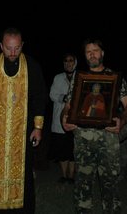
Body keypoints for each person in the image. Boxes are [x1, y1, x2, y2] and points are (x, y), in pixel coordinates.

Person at [0, 27, 46, 213]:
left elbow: (39, 97)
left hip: (22, 134)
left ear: (22, 45)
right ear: (1, 46)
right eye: (8, 48)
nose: (13, 53)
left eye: (17, 48)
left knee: (24, 174)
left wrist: (38, 127)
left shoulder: (32, 67)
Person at [61, 38, 127, 214]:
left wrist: (122, 120)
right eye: (88, 52)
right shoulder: (79, 78)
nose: (92, 54)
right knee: (82, 181)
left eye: (95, 50)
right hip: (83, 139)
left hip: (108, 140)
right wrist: (64, 117)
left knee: (110, 182)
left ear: (102, 53)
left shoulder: (114, 78)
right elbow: (68, 105)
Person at [49, 52, 77, 184]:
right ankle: (64, 175)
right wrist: (64, 97)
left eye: (71, 60)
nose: (68, 63)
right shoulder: (58, 77)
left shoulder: (80, 77)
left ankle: (71, 176)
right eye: (66, 61)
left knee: (73, 150)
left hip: (76, 120)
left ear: (75, 62)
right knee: (62, 150)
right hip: (59, 120)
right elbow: (52, 95)